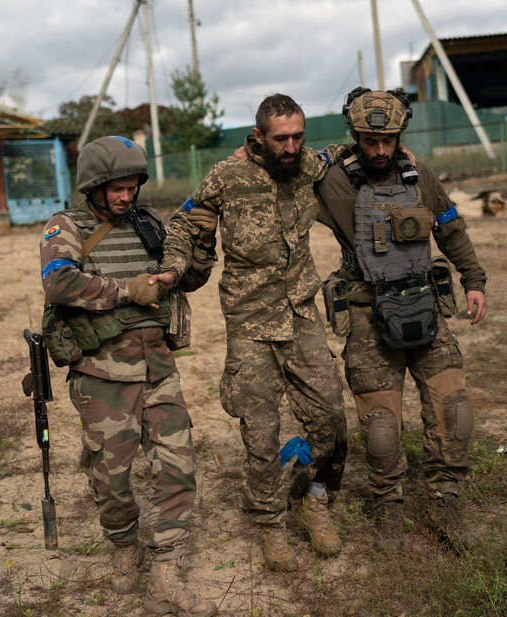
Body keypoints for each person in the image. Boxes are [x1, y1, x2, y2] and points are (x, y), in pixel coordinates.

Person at [153, 94, 347, 572]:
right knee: (260, 436)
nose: (291, 146)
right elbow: (185, 223)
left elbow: (348, 152)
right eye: (281, 138)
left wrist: (392, 148)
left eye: (298, 136)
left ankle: (311, 496)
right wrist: (171, 271)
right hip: (250, 322)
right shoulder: (226, 176)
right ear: (258, 136)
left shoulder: (308, 165)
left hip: (301, 313)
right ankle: (270, 522)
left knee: (331, 420)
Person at [39, 136, 216, 617]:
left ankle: (165, 570)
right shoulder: (67, 226)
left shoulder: (147, 224)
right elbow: (58, 282)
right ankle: (122, 547)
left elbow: (182, 279)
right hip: (102, 372)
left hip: (158, 365)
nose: (124, 196)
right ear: (93, 187)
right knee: (111, 478)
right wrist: (126, 291)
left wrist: (199, 247)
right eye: (115, 188)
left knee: (178, 466)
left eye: (131, 186)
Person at [315, 88, 487, 551]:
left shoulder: (420, 175)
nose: (380, 150)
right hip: (368, 313)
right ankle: (388, 510)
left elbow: (450, 224)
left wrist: (473, 279)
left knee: (456, 410)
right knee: (382, 429)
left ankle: (445, 505)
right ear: (354, 136)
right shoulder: (331, 182)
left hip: (425, 306)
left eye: (388, 139)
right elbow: (284, 163)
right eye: (369, 140)